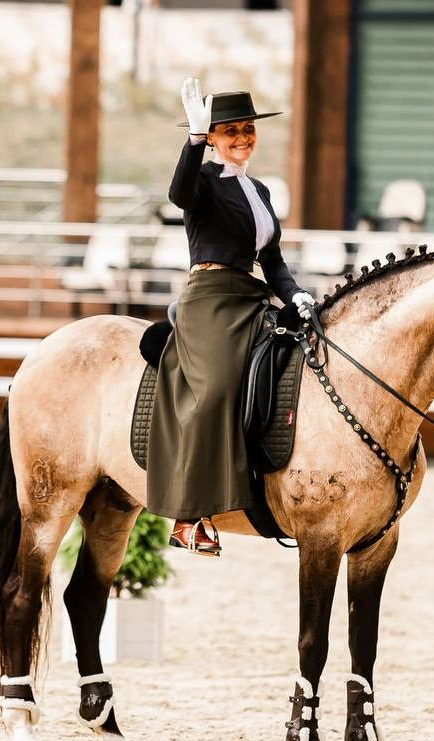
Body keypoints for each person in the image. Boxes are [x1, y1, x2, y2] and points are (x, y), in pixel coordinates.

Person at [147, 78, 318, 557]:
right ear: (214, 137)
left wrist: (297, 295)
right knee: (216, 388)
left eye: (248, 129)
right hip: (210, 299)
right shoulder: (201, 179)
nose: (242, 137)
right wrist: (193, 140)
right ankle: (188, 516)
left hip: (253, 294)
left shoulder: (259, 189)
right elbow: (178, 194)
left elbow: (273, 260)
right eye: (231, 131)